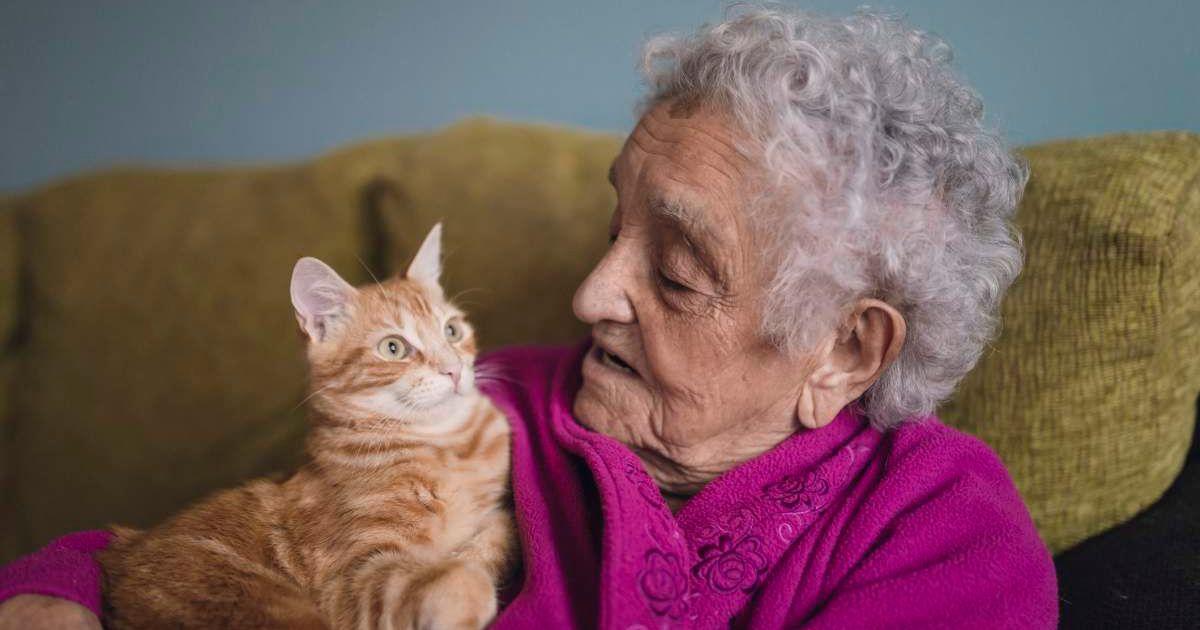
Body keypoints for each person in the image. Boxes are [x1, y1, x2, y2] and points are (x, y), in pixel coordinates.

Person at [0, 6, 1057, 628]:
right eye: (613, 229)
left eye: (677, 272)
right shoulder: (509, 406)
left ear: (846, 349)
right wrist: (65, 584)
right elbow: (272, 537)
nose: (590, 294)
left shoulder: (939, 528)